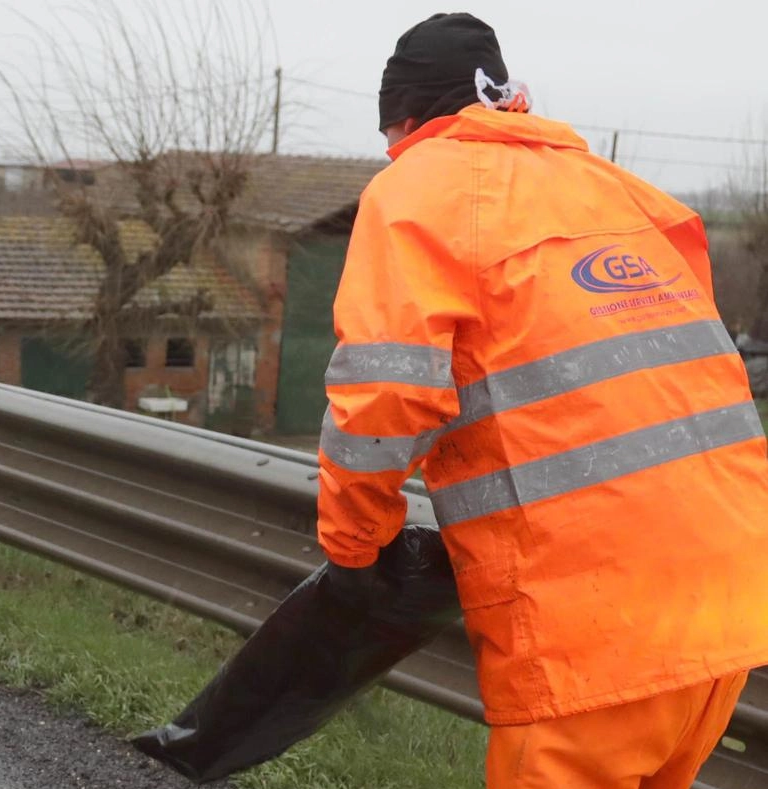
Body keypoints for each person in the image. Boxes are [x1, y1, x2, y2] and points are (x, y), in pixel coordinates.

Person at [317, 12, 768, 788]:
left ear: (406, 118)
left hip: (589, 626)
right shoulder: (627, 194)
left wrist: (354, 547)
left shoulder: (416, 188)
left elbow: (384, 397)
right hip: (727, 598)